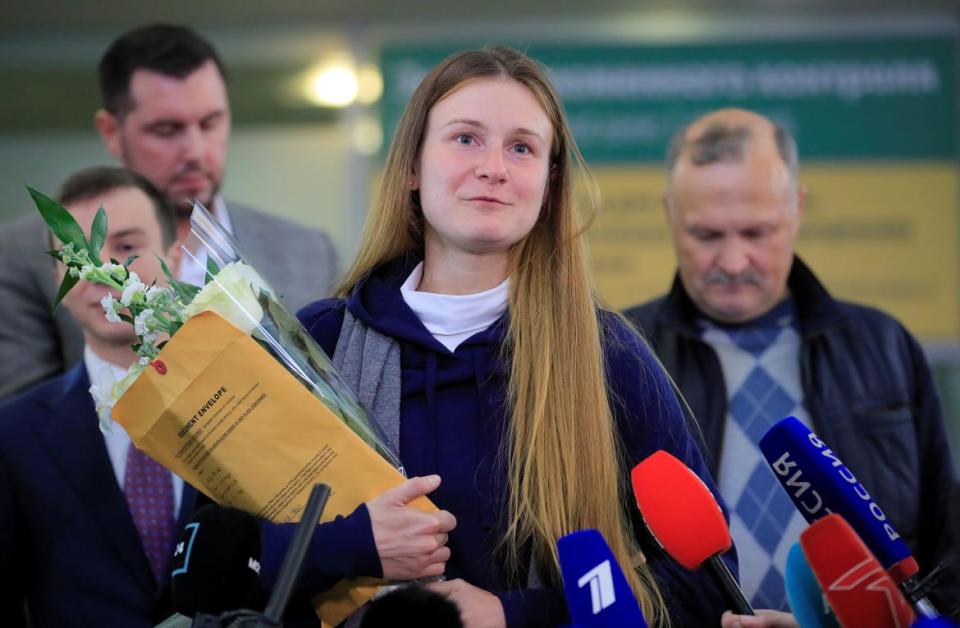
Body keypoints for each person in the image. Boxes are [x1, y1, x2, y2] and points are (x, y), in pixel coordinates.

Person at [254, 47, 736, 628]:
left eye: (522, 147)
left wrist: (516, 615)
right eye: (465, 139)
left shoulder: (607, 356)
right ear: (410, 166)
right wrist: (349, 544)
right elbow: (213, 563)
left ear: (550, 182)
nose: (494, 168)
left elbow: (706, 582)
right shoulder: (320, 342)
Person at [625, 108, 957, 610]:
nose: (734, 262)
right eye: (707, 235)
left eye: (757, 233)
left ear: (797, 208)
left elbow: (945, 545)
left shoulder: (884, 345)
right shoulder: (622, 353)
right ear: (671, 213)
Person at [0, 23, 339, 399]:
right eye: (166, 130)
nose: (195, 151)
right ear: (111, 131)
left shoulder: (308, 253)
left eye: (210, 123)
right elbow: (26, 430)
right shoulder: (25, 254)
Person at [0, 166, 199, 626]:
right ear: (57, 280)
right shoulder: (14, 436)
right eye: (75, 256)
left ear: (173, 254)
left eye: (127, 247)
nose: (102, 269)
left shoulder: (242, 396)